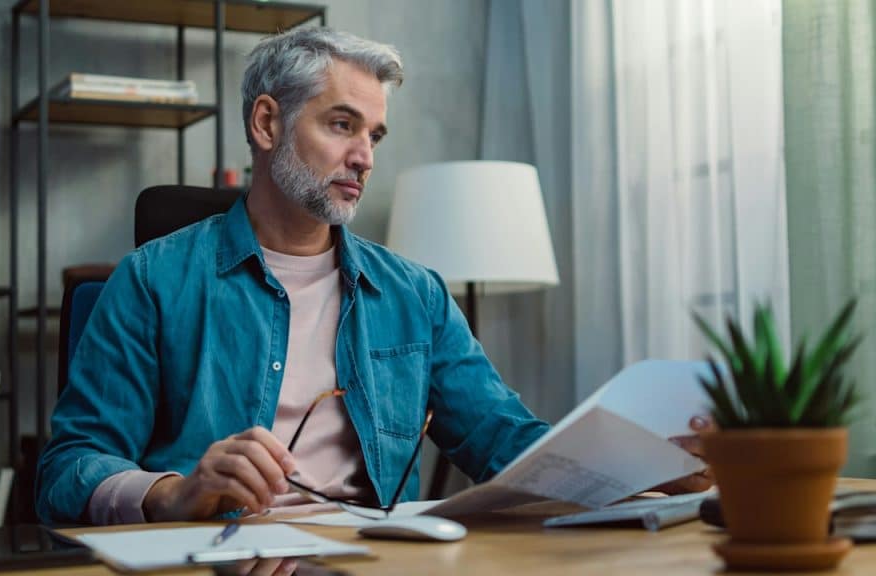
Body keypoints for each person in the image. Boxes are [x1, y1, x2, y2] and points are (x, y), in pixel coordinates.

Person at [35, 27, 711, 527]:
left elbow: (504, 438)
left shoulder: (415, 294)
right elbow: (67, 469)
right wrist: (172, 491)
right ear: (267, 123)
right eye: (341, 125)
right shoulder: (151, 281)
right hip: (210, 560)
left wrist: (649, 467)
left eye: (375, 136)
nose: (363, 157)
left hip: (374, 560)